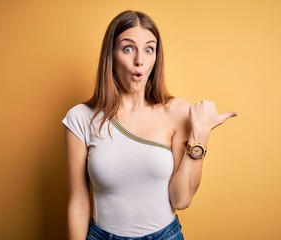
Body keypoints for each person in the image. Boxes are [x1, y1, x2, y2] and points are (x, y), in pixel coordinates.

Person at [62, 10, 237, 240]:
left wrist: (201, 133)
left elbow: (181, 199)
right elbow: (79, 203)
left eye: (149, 49)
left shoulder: (176, 112)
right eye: (128, 48)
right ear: (111, 55)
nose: (140, 61)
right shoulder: (80, 118)